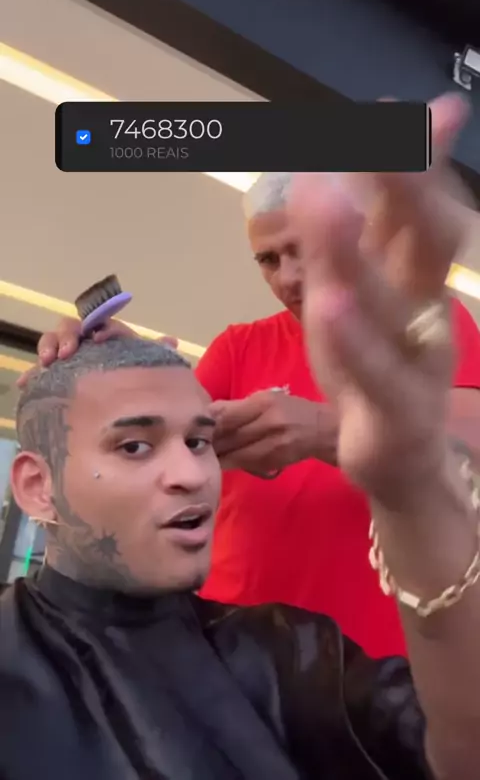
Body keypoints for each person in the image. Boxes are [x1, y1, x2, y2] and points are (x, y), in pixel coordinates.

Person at [4, 93, 480, 778]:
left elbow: (457, 437)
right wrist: (126, 371)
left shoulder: (417, 337)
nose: (287, 277)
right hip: (220, 642)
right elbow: (179, 424)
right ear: (34, 485)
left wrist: (331, 431)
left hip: (356, 665)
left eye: (299, 251)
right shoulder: (239, 347)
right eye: (267, 259)